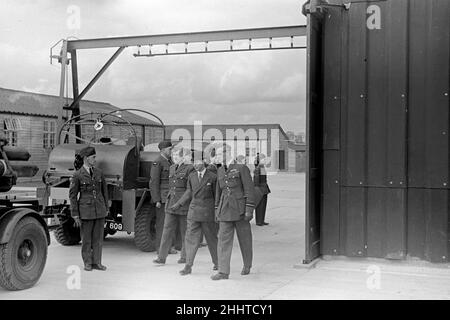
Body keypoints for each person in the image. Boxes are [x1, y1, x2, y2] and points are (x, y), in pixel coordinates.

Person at [211, 143, 256, 280]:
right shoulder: (220, 170)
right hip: (225, 209)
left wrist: (249, 209)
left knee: (245, 239)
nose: (217, 157)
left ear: (227, 153)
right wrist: (216, 209)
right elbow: (219, 192)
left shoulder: (241, 168)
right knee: (223, 240)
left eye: (219, 154)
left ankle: (247, 264)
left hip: (240, 209)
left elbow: (249, 189)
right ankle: (223, 272)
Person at [173, 152, 219, 275]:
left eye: (198, 162)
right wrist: (179, 203)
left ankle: (217, 262)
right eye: (194, 162)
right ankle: (188, 266)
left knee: (211, 239)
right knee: (191, 239)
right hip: (193, 212)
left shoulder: (213, 177)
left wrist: (216, 212)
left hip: (207, 213)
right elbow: (189, 192)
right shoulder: (192, 176)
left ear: (204, 161)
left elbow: (217, 197)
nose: (195, 165)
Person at [69, 146, 109, 271]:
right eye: (93, 157)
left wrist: (106, 207)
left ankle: (97, 262)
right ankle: (87, 262)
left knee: (98, 239)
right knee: (86, 239)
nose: (95, 160)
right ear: (86, 158)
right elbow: (73, 195)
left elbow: (104, 192)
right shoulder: (77, 175)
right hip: (85, 211)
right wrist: (75, 214)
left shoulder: (99, 172)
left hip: (99, 210)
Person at [153, 147, 194, 265]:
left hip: (183, 204)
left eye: (177, 155)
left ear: (183, 157)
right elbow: (171, 187)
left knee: (185, 231)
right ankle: (161, 257)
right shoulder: (171, 168)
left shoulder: (189, 169)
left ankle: (184, 257)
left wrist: (180, 203)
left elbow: (189, 189)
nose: (174, 158)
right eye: (173, 155)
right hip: (171, 203)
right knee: (166, 230)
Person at [149, 140, 177, 254]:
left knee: (169, 223)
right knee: (162, 224)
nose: (171, 151)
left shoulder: (169, 161)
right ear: (163, 150)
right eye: (169, 149)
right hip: (162, 198)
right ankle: (160, 249)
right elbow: (154, 182)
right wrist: (156, 200)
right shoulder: (158, 162)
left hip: (170, 197)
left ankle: (168, 247)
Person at [253, 154, 271, 226]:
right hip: (260, 189)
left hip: (264, 188)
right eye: (263, 159)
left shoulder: (262, 167)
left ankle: (262, 220)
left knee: (263, 205)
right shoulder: (258, 168)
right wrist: (257, 190)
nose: (265, 160)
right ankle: (259, 221)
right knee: (260, 206)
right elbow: (256, 181)